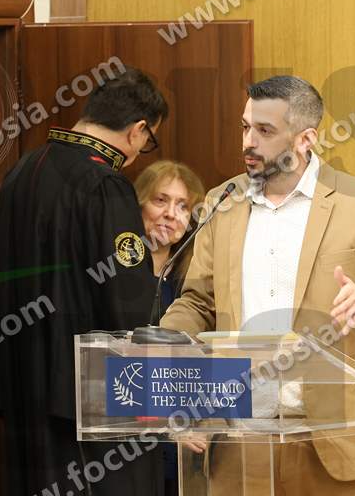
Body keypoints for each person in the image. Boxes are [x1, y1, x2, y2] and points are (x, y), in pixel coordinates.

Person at [160, 75, 355, 495]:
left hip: (339, 442)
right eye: (245, 127)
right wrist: (163, 350)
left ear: (306, 139)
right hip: (240, 440)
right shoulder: (222, 202)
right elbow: (198, 302)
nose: (248, 142)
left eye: (265, 131)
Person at [0, 67, 169, 496]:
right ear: (137, 130)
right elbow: (125, 297)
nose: (141, 151)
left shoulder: (22, 172)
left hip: (23, 386)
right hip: (85, 401)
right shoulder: (105, 183)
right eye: (147, 141)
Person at [133, 161, 205, 496]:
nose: (170, 214)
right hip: (126, 441)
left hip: (188, 445)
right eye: (160, 200)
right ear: (138, 205)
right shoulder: (114, 278)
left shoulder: (195, 284)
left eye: (183, 206)